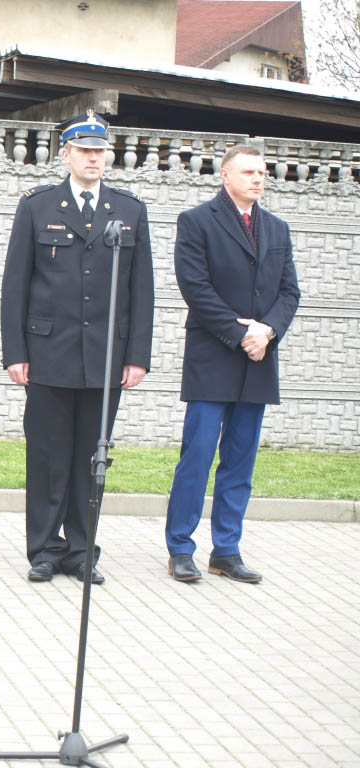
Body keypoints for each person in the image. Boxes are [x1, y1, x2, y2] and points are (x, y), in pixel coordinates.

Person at [1, 110, 154, 585]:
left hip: (106, 357)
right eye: (84, 150)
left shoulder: (129, 210)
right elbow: (15, 284)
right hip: (49, 353)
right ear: (65, 154)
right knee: (47, 456)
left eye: (100, 151)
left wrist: (137, 356)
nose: (93, 158)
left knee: (93, 457)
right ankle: (46, 550)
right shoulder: (38, 206)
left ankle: (83, 551)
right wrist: (15, 352)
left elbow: (142, 290)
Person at [165, 144, 300, 584]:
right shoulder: (197, 221)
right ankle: (180, 548)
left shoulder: (277, 228)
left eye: (262, 172)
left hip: (258, 360)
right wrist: (240, 333)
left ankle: (226, 550)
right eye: (248, 172)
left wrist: (267, 331)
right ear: (225, 176)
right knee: (198, 457)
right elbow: (195, 287)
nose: (258, 179)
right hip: (213, 356)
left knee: (240, 462)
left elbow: (289, 292)